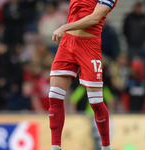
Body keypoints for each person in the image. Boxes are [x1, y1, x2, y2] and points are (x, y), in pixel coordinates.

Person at [48, 0, 117, 150]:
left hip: (89, 45)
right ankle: (55, 147)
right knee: (54, 96)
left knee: (96, 101)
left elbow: (94, 18)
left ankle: (106, 147)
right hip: (67, 44)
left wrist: (64, 27)